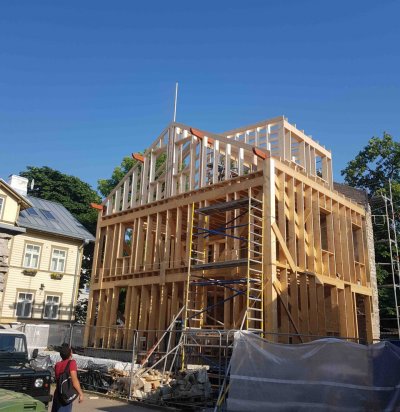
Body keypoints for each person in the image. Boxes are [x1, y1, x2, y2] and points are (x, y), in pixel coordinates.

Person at [51, 343, 84, 411]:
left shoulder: (57, 365)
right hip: (65, 394)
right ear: (70, 354)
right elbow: (74, 380)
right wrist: (80, 393)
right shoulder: (72, 363)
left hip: (58, 393)